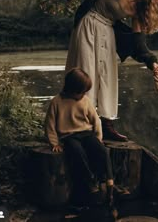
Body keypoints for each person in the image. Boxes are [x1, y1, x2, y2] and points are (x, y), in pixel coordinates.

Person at [54, 0, 158, 141]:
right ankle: (79, 122)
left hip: (107, 32)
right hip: (89, 24)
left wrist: (151, 62)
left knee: (107, 77)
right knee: (86, 71)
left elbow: (139, 43)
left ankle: (105, 125)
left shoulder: (137, 11)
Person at [44, 67, 114, 206]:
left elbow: (96, 120)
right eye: (81, 92)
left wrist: (98, 138)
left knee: (102, 151)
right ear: (71, 89)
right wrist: (54, 143)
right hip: (68, 136)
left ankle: (108, 181)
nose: (83, 94)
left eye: (84, 92)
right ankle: (90, 181)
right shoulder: (56, 102)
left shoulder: (85, 101)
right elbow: (49, 125)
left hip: (86, 133)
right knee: (77, 152)